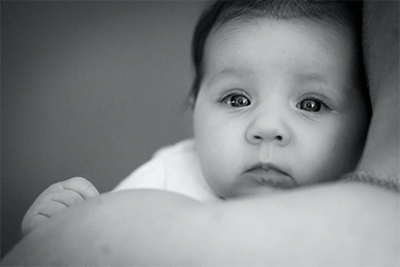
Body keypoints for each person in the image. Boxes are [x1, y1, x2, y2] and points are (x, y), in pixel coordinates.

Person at [2, 0, 398, 265]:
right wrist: (63, 229)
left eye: (311, 104)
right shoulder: (164, 182)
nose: (267, 128)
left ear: (369, 123)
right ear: (195, 109)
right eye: (237, 99)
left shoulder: (362, 220)